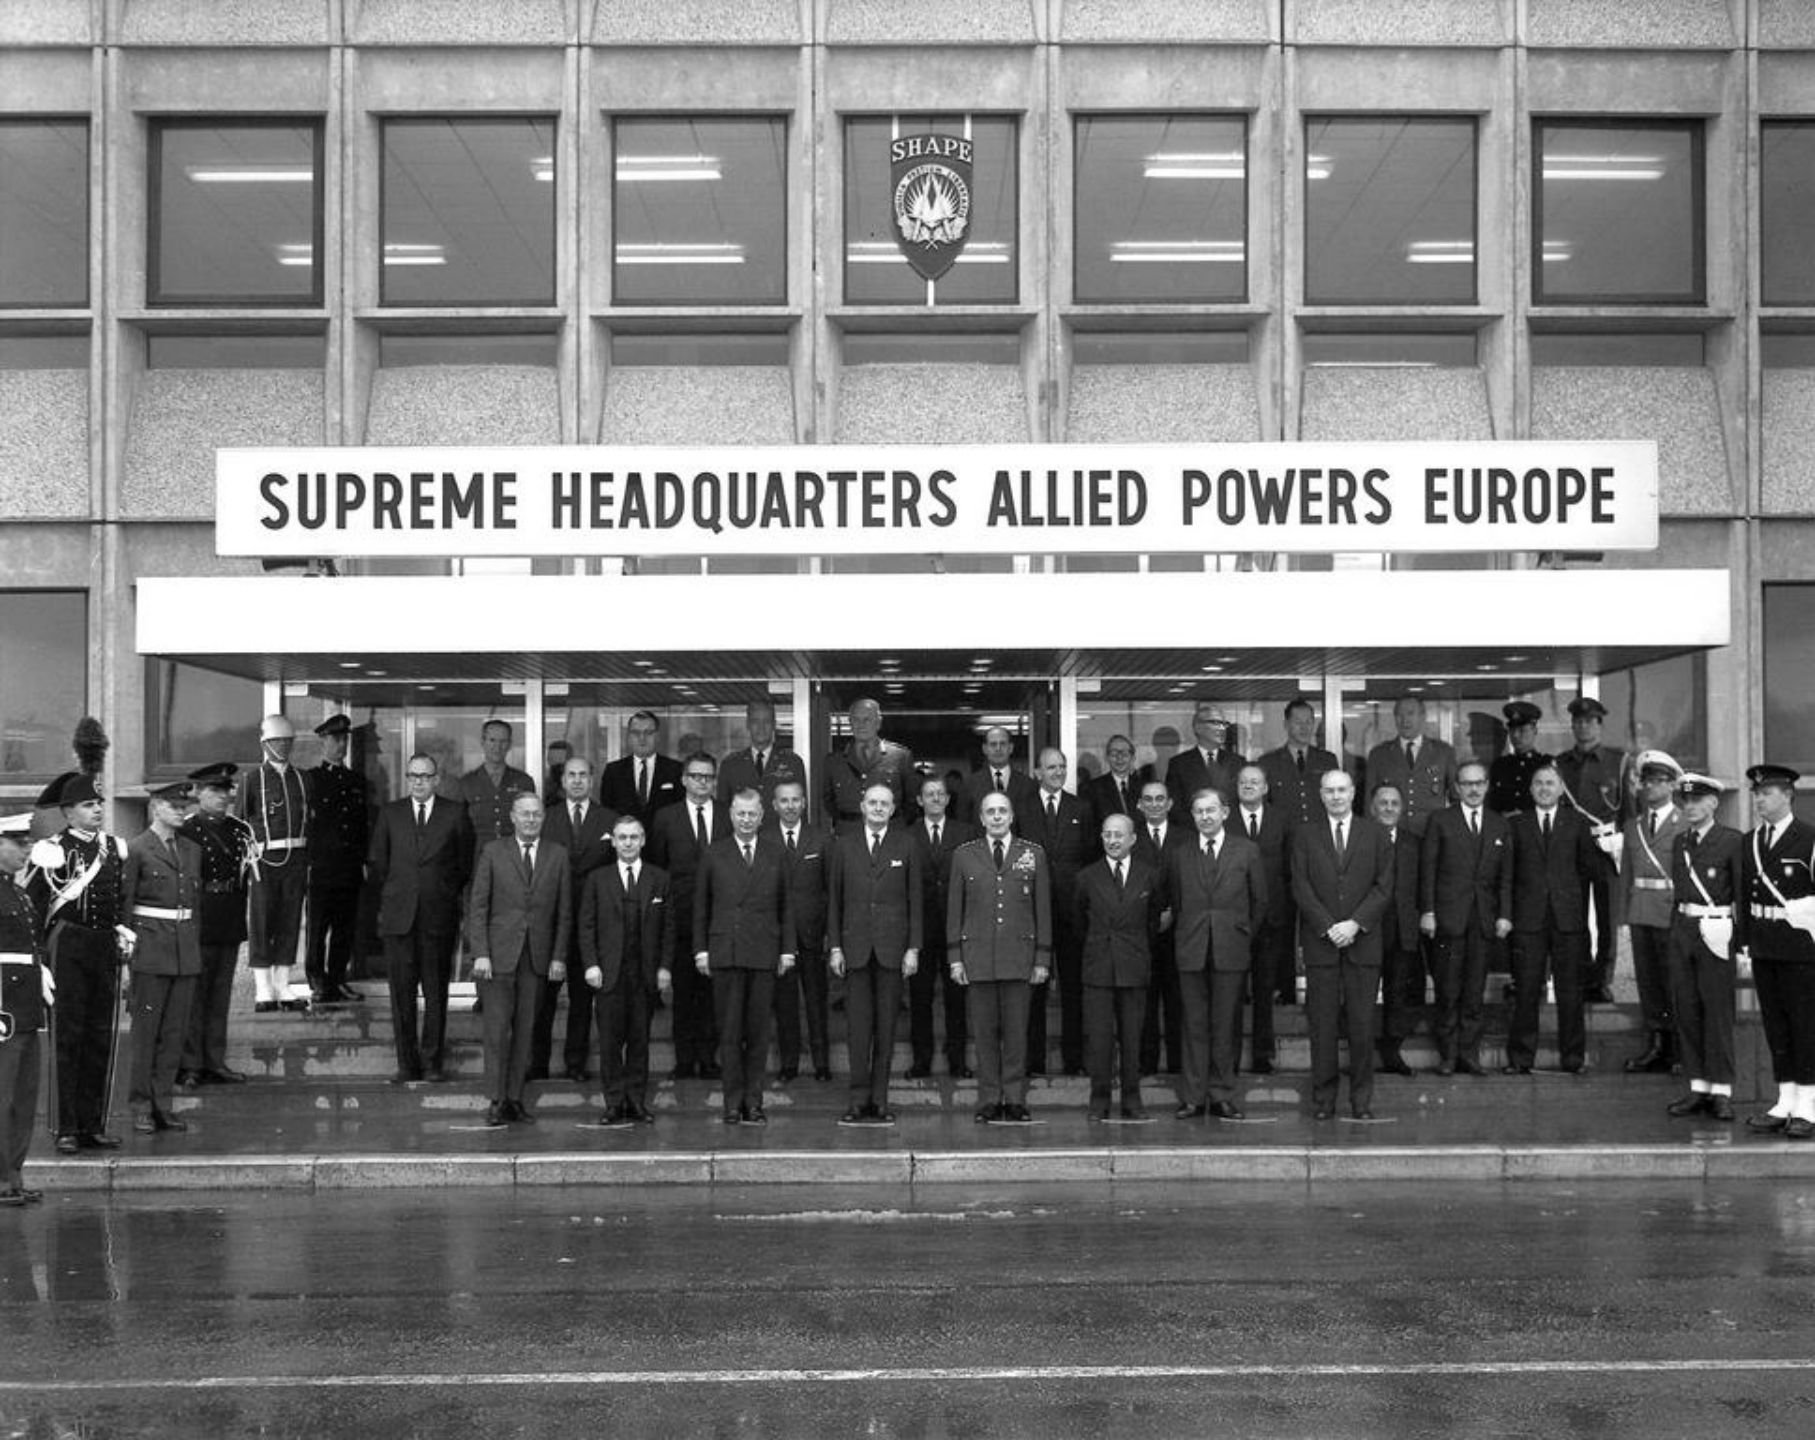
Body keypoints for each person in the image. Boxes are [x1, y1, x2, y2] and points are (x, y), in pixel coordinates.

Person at [26, 772, 130, 1154]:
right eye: (88, 805)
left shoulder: (113, 848)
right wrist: (39, 960)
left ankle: (92, 1124)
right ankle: (65, 1126)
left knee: (100, 1036)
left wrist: (123, 932)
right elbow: (35, 908)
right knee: (67, 1037)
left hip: (103, 946)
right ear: (68, 812)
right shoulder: (51, 850)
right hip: (67, 945)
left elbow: (119, 899)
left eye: (99, 803)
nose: (97, 810)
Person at [1292, 770, 1393, 1120]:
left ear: (1352, 793)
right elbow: (1301, 885)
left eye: (1341, 790)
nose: (1336, 796)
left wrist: (1354, 923)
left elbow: (1384, 886)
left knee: (1362, 1027)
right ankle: (1324, 1101)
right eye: (1329, 791)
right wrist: (1327, 926)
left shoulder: (1376, 834)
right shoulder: (1305, 835)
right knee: (1322, 1028)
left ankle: (1361, 1101)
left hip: (1362, 942)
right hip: (1322, 944)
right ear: (1321, 795)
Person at [367, 754, 474, 1084]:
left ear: (436, 779)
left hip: (437, 916)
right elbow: (379, 862)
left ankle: (432, 1063)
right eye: (413, 775)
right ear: (407, 778)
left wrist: (441, 891)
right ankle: (407, 1064)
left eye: (425, 776)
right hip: (399, 918)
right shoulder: (391, 813)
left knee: (436, 992)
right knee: (401, 995)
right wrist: (398, 893)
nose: (419, 781)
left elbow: (464, 863)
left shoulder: (454, 813)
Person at [466, 794, 571, 1127]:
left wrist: (558, 956)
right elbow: (478, 907)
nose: (530, 819)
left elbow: (564, 913)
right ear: (512, 817)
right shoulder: (493, 852)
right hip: (497, 958)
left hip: (536, 958)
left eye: (536, 814)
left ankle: (514, 1099)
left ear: (543, 818)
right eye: (524, 814)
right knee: (497, 1031)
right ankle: (496, 1100)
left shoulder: (558, 855)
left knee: (525, 1032)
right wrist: (481, 953)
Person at [948, 792, 1052, 1124]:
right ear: (981, 818)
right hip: (977, 958)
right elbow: (955, 909)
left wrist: (1042, 958)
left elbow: (1042, 910)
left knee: (1017, 1034)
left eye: (1002, 811)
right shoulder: (964, 855)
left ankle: (1015, 1099)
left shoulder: (1033, 854)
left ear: (1011, 816)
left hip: (1019, 958)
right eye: (990, 811)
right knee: (985, 1035)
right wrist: (955, 957)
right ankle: (990, 1099)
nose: (996, 816)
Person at [695, 789, 794, 1125]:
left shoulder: (776, 853)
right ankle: (732, 1103)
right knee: (729, 1032)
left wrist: (787, 949)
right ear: (731, 815)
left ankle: (754, 1102)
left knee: (758, 1033)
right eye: (741, 813)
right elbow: (701, 906)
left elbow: (786, 905)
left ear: (762, 816)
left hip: (764, 951)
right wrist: (701, 950)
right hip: (727, 951)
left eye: (752, 814)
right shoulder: (714, 853)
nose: (746, 819)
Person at [1168, 789, 1267, 1122]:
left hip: (1231, 947)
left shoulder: (1247, 850)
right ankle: (1194, 1098)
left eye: (1211, 810)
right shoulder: (1180, 853)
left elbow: (1260, 901)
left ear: (1225, 812)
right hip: (1191, 947)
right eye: (1199, 811)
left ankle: (1222, 1095)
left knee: (1225, 1025)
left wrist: (1241, 933)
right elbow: (1176, 901)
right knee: (1193, 1025)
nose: (1205, 816)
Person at [827, 783, 923, 1124]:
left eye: (885, 803)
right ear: (862, 806)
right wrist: (835, 946)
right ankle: (857, 1100)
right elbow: (834, 901)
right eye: (873, 803)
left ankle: (879, 1100)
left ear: (893, 809)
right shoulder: (843, 845)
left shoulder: (906, 844)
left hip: (892, 952)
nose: (879, 808)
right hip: (854, 950)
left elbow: (915, 900)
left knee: (886, 1029)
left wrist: (913, 948)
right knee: (858, 1029)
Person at [1418, 761, 1511, 1076]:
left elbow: (1506, 877)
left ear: (1487, 785)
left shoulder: (1499, 824)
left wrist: (1505, 915)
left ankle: (1469, 1054)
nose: (1473, 789)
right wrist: (1428, 911)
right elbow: (1428, 869)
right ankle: (1447, 1055)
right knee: (1447, 991)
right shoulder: (1440, 820)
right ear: (1457, 787)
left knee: (1474, 991)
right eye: (1467, 784)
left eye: (1479, 783)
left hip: (1483, 919)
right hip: (1448, 918)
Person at [1503, 765, 1596, 1075]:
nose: (1544, 788)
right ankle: (1520, 1059)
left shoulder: (1578, 823)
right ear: (1531, 789)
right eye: (1539, 783)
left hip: (1567, 919)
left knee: (1570, 992)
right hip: (1528, 920)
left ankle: (1573, 1059)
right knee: (1526, 990)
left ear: (1560, 788)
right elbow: (1508, 875)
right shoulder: (1516, 825)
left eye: (1550, 783)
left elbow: (1586, 871)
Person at [122, 780, 203, 1136]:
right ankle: (141, 1105)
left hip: (183, 950)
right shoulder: (137, 849)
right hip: (149, 950)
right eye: (175, 806)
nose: (182, 812)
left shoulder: (191, 849)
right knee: (146, 1034)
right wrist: (126, 959)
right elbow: (125, 906)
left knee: (173, 1033)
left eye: (185, 807)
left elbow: (195, 906)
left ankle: (163, 1104)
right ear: (156, 807)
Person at [1664, 772, 1747, 1122]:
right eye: (1685, 801)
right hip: (1684, 930)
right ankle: (1698, 1086)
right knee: (1687, 1009)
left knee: (1717, 1011)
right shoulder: (1680, 842)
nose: (1690, 806)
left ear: (1714, 803)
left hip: (1716, 931)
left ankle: (1721, 1091)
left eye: (1697, 800)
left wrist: (1742, 945)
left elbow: (1740, 895)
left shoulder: (1731, 841)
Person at [581, 816, 672, 1127]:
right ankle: (613, 1103)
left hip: (644, 974)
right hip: (608, 973)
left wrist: (664, 967)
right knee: (609, 1043)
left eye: (634, 837)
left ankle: (636, 1101)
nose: (628, 843)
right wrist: (591, 964)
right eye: (622, 837)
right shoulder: (597, 879)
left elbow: (668, 928)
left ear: (643, 840)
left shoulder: (659, 878)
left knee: (639, 1042)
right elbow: (586, 925)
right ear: (614, 842)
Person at [1740, 763, 1815, 1138]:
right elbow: (1743, 897)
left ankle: (1808, 1103)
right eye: (1756, 794)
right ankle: (1785, 1099)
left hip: (1800, 947)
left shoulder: (1808, 838)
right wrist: (1743, 943)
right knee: (1776, 1025)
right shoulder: (1750, 841)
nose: (1759, 800)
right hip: (1764, 945)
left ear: (1788, 796)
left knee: (1804, 1024)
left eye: (1767, 793)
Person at [535, 757, 618, 1083]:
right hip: (552, 921)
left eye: (583, 774)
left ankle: (575, 1063)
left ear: (592, 780)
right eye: (571, 775)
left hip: (592, 923)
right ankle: (537, 1063)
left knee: (583, 1000)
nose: (578, 780)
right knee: (544, 999)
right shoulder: (546, 818)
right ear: (562, 781)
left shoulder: (609, 819)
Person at [1076, 814, 1163, 1121]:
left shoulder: (1149, 875)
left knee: (1132, 1039)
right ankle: (1099, 1101)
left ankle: (1132, 1100)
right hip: (1098, 967)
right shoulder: (1086, 877)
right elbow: (1078, 922)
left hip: (1133, 966)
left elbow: (1154, 921)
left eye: (1118, 835)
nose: (1112, 840)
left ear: (1132, 839)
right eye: (1107, 834)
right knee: (1099, 1040)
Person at [646, 752, 726, 1079]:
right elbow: (657, 865)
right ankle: (684, 1059)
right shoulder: (666, 817)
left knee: (712, 994)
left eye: (708, 777)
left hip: (719, 918)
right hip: (678, 917)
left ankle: (708, 1058)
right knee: (682, 992)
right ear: (684, 780)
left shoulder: (727, 815)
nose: (702, 782)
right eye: (696, 776)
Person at [1020, 748, 1098, 1076]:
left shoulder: (1081, 808)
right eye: (1051, 767)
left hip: (1071, 912)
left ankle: (1074, 1060)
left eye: (1062, 767)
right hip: (1032, 911)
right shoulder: (1021, 808)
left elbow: (1091, 856)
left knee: (1073, 989)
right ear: (1037, 772)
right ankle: (1033, 1061)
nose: (1058, 772)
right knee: (1033, 990)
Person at [177, 762, 253, 1089]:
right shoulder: (187, 830)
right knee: (195, 996)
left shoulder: (239, 830)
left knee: (220, 996)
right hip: (200, 916)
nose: (222, 797)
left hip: (229, 915)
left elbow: (246, 876)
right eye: (214, 790)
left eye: (226, 790)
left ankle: (215, 1061)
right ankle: (191, 1064)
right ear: (198, 793)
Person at [1618, 750, 1687, 1074]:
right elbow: (1626, 876)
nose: (1651, 787)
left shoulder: (1684, 823)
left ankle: (1680, 1050)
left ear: (1672, 785)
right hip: (1641, 912)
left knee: (1675, 982)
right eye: (1647, 781)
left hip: (1672, 912)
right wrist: (1623, 918)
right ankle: (1658, 1046)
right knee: (1649, 984)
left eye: (1659, 781)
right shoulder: (1633, 826)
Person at [1556, 697, 1628, 1004]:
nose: (1583, 726)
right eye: (1578, 721)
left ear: (1599, 725)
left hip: (1606, 850)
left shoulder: (1618, 761)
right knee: (1576, 918)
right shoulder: (1561, 764)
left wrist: (1623, 847)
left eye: (1589, 721)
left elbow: (1629, 811)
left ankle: (1602, 978)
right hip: (1571, 851)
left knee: (1606, 918)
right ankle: (1583, 975)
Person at [241, 714, 311, 1013]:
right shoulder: (252, 779)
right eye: (277, 741)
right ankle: (263, 988)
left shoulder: (303, 778)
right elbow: (241, 823)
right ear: (265, 743)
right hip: (264, 861)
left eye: (287, 741)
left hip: (295, 859)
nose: (283, 745)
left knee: (289, 920)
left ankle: (283, 984)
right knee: (261, 921)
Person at [909, 774, 975, 1079]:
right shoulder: (907, 835)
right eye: (929, 794)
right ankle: (921, 1060)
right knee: (920, 998)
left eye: (940, 794)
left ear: (948, 799)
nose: (935, 798)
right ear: (919, 800)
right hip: (920, 929)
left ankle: (957, 1060)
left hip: (955, 928)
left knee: (956, 998)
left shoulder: (965, 833)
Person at [0, 810, 50, 1205]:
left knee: (23, 1095)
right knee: (3, 1096)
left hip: (26, 1004)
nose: (26, 848)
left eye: (27, 841)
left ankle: (13, 1175)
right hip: (4, 1005)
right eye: (17, 843)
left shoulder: (17, 891)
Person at [767, 778, 832, 1083]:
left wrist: (830, 934)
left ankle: (822, 1063)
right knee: (785, 1004)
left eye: (796, 800)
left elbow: (831, 889)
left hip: (813, 934)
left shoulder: (822, 839)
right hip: (779, 937)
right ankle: (789, 1063)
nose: (790, 806)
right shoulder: (764, 840)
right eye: (784, 800)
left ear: (804, 803)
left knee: (817, 1002)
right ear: (774, 805)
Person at [305, 714, 369, 1005]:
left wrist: (363, 861)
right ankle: (317, 980)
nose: (341, 744)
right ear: (324, 741)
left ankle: (337, 978)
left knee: (345, 928)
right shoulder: (312, 780)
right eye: (335, 739)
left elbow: (362, 825)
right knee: (318, 928)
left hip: (349, 866)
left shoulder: (356, 781)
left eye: (344, 739)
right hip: (321, 867)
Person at [1234, 763, 1294, 1061]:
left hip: (1271, 918)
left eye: (1254, 782)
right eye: (1243, 782)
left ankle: (1262, 1054)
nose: (1248, 786)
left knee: (1265, 988)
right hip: (1234, 918)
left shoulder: (1281, 819)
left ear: (1266, 788)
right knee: (1232, 992)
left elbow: (1290, 867)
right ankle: (1230, 1057)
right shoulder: (1224, 819)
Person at [1134, 779, 1188, 1075]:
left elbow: (1192, 881)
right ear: (1139, 805)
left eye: (1159, 799)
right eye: (1148, 799)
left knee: (1177, 999)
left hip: (1178, 931)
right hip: (1141, 930)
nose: (1154, 804)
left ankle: (1178, 1063)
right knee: (1145, 1000)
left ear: (1169, 804)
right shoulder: (1131, 837)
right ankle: (1147, 1062)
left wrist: (1173, 913)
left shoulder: (1186, 837)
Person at [1369, 783, 1424, 1077]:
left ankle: (1392, 1053)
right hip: (1368, 928)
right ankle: (1362, 1055)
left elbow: (1423, 883)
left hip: (1403, 928)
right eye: (1383, 802)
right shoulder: (1360, 837)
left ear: (1401, 809)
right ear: (1372, 807)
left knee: (1398, 994)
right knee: (1363, 994)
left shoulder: (1414, 842)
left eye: (1394, 803)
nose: (1389, 808)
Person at [1364, 697, 1457, 838]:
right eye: (1399, 715)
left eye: (1410, 713)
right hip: (1392, 835)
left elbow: (1456, 797)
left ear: (1423, 717)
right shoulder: (1379, 754)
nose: (1405, 720)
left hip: (1431, 835)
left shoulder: (1443, 752)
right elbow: (1369, 802)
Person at [824, 698, 917, 832]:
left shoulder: (900, 757)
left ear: (878, 723)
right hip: (849, 833)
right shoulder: (833, 761)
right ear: (850, 723)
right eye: (856, 720)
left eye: (867, 719)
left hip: (889, 833)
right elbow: (828, 802)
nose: (861, 725)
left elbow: (911, 803)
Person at [457, 719, 537, 869]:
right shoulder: (467, 783)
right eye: (492, 740)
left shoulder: (523, 782)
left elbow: (531, 824)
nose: (497, 747)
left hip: (515, 863)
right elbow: (460, 831)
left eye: (503, 741)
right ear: (482, 742)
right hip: (478, 862)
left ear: (509, 744)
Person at [1258, 699, 1340, 829]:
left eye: (1308, 722)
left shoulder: (1327, 760)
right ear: (1286, 725)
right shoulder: (1268, 762)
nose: (1304, 727)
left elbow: (1337, 800)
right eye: (1298, 722)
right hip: (1284, 836)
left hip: (1320, 835)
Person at [717, 699, 808, 815]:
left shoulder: (793, 763)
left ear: (774, 724)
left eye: (767, 722)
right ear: (748, 724)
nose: (761, 727)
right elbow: (722, 811)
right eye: (756, 721)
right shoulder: (731, 764)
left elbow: (801, 810)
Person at [600, 711, 684, 829]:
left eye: (648, 733)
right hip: (626, 838)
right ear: (629, 736)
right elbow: (607, 813)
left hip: (665, 838)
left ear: (658, 736)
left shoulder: (675, 770)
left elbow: (681, 811)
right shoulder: (613, 771)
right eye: (636, 733)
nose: (642, 738)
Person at [1166, 703, 1243, 816]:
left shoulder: (1238, 762)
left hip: (1230, 826)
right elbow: (1175, 807)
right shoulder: (1179, 764)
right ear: (1198, 727)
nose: (1222, 728)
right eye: (1215, 723)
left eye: (1224, 724)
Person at [957, 726, 1040, 827]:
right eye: (993, 744)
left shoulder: (1028, 785)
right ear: (985, 749)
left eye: (1003, 744)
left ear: (1011, 748)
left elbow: (1033, 827)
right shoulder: (969, 785)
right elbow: (963, 827)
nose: (998, 748)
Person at [1487, 701, 1551, 817]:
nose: (1516, 735)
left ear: (1534, 731)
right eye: (1512, 730)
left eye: (1522, 730)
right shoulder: (1500, 766)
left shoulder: (1546, 764)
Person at [1084, 734, 1148, 831]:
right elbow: (1089, 827)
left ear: (1133, 757)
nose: (1119, 758)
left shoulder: (1144, 787)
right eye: (1114, 754)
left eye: (1124, 754)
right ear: (1106, 758)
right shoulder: (1092, 789)